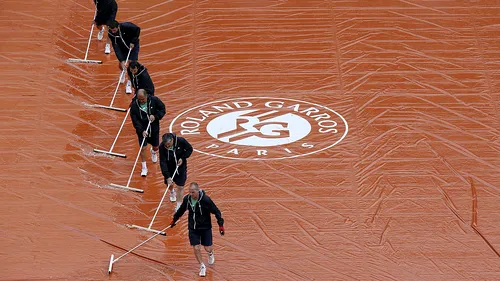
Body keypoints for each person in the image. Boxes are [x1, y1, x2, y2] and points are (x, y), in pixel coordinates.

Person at [170, 182, 225, 277]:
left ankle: (210, 253)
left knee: (207, 247)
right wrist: (174, 219)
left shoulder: (206, 200)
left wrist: (221, 225)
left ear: (198, 191)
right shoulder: (187, 199)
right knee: (196, 247)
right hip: (193, 228)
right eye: (189, 192)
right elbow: (181, 210)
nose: (191, 194)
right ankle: (202, 266)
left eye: (193, 192)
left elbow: (216, 211)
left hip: (205, 228)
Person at [130, 89, 165, 176]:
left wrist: (156, 116)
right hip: (142, 130)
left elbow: (162, 109)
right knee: (143, 148)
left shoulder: (154, 100)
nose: (141, 101)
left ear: (146, 96)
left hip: (154, 128)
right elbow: (135, 121)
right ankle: (144, 168)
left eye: (143, 99)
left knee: (156, 146)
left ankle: (153, 151)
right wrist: (141, 131)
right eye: (139, 99)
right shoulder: (134, 106)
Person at [159, 133, 193, 211]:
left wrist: (183, 158)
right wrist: (167, 176)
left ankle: (178, 205)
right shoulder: (162, 147)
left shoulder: (181, 141)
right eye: (165, 145)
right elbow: (162, 162)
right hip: (169, 167)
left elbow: (190, 149)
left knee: (180, 186)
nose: (167, 146)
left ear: (172, 140)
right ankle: (172, 191)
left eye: (168, 144)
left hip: (180, 166)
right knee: (169, 183)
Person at [107, 20, 141, 90]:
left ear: (118, 27)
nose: (113, 32)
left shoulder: (127, 26)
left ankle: (129, 83)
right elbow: (115, 46)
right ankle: (123, 71)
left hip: (133, 46)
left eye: (114, 30)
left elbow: (137, 30)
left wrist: (133, 41)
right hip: (122, 48)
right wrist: (121, 60)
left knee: (131, 64)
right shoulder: (111, 33)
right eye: (111, 30)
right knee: (121, 65)